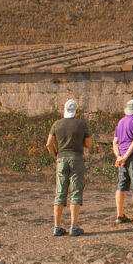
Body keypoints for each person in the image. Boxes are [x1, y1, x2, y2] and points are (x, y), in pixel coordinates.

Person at [46, 99, 92, 237]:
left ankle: (57, 226)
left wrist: (56, 155)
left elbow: (48, 144)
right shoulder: (82, 124)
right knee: (76, 191)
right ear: (77, 111)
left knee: (60, 191)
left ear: (64, 110)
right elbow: (88, 144)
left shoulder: (56, 124)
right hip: (76, 158)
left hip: (61, 158)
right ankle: (73, 226)